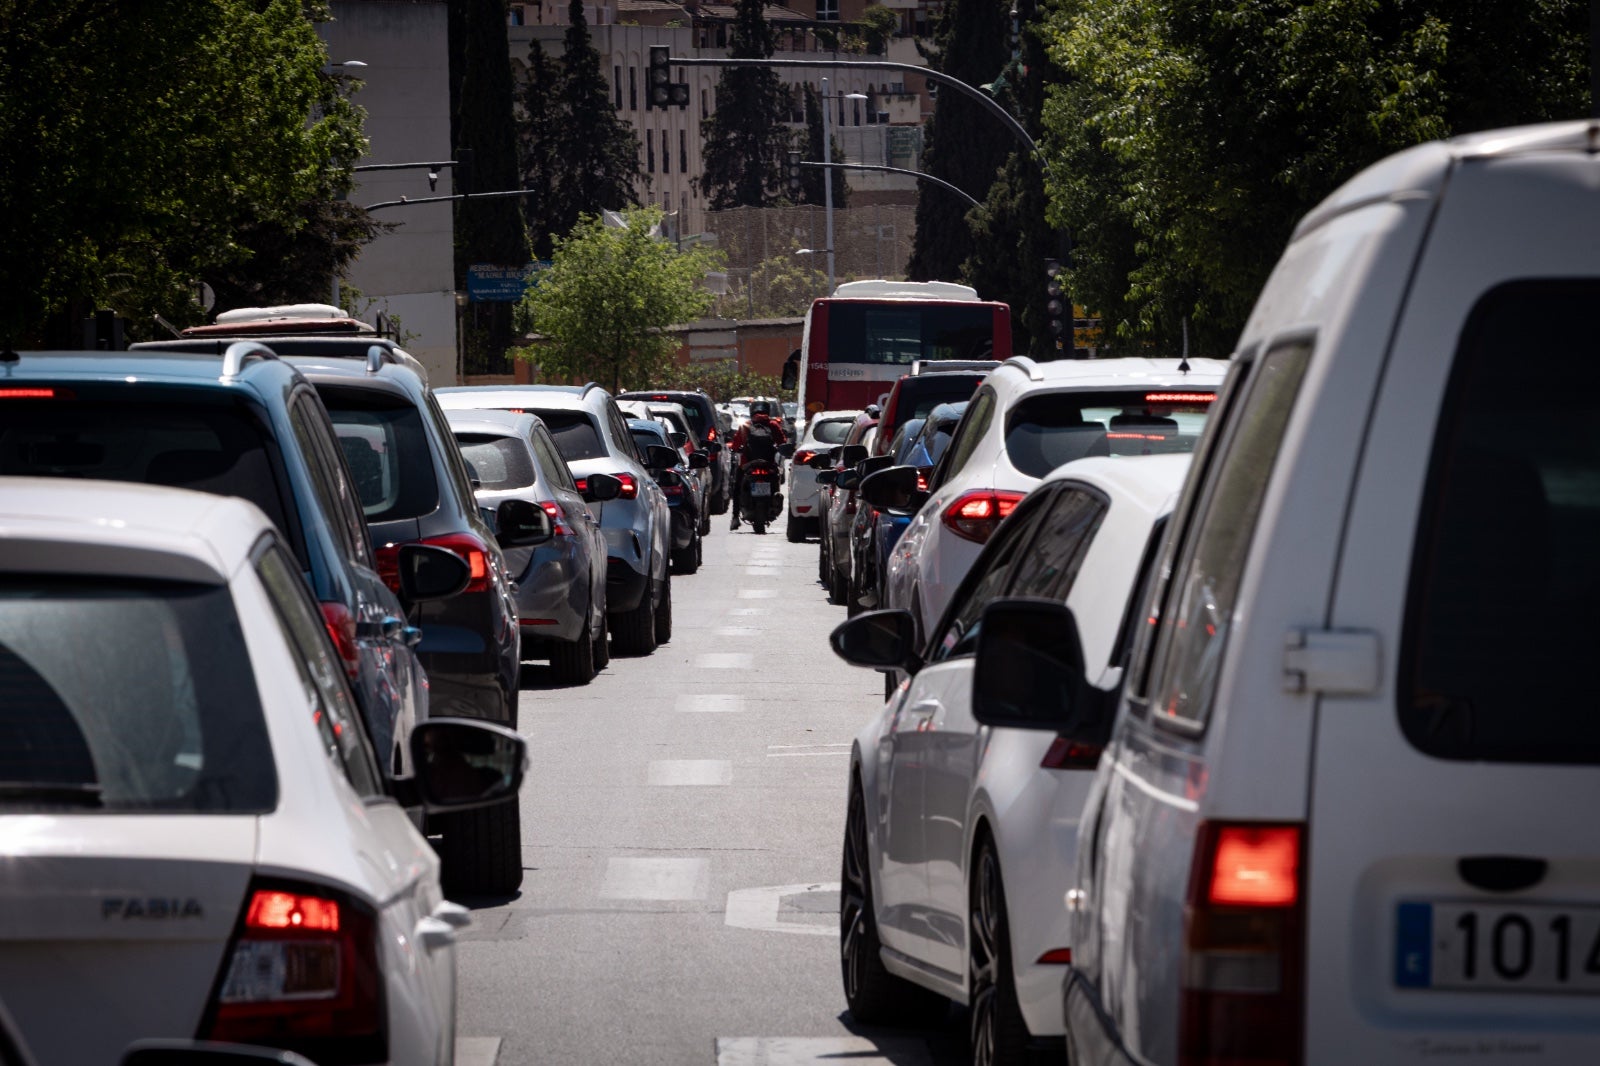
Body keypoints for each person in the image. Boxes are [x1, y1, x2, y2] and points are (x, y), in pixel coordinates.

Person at [728, 400, 788, 530]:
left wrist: (735, 448)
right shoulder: (773, 425)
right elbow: (783, 442)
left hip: (748, 465)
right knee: (776, 482)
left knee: (737, 487)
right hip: (769, 465)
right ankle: (773, 504)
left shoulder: (746, 425)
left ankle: (734, 517)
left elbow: (735, 445)